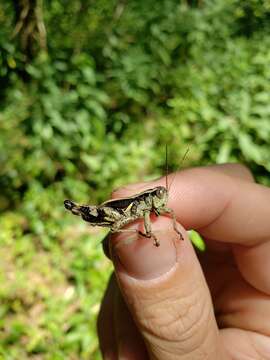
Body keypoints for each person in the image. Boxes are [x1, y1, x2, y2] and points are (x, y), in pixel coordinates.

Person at [97, 164, 270, 359]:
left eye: (163, 194)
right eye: (159, 194)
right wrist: (150, 235)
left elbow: (166, 214)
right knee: (115, 227)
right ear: (151, 196)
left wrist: (174, 230)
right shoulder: (144, 206)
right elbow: (144, 219)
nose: (163, 198)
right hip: (117, 214)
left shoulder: (158, 206)